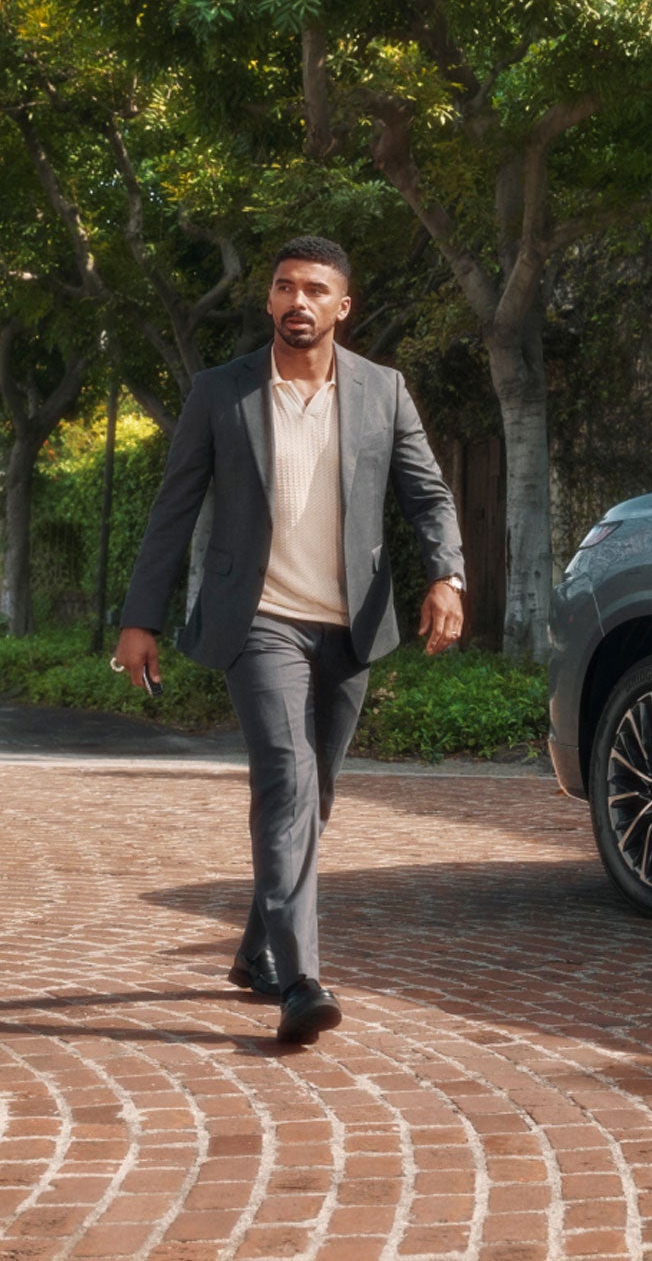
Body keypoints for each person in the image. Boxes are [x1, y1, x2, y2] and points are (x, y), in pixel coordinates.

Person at [113, 236, 465, 1044]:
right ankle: (301, 981)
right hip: (258, 618)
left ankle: (255, 951)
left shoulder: (383, 391)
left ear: (343, 306)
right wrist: (140, 618)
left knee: (316, 795)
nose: (297, 300)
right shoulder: (221, 391)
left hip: (349, 624)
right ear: (269, 299)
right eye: (283, 287)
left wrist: (447, 576)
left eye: (314, 289)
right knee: (287, 778)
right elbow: (174, 507)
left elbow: (429, 495)